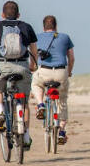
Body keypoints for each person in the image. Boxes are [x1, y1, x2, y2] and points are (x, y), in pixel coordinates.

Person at [0, 1, 38, 149]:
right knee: (23, 101)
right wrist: (32, 65)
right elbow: (34, 50)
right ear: (18, 15)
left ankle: (0, 112)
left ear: (2, 15)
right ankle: (25, 136)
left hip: (2, 67)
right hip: (22, 67)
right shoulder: (26, 27)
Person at [31, 15, 75, 145]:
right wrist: (69, 72)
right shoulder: (65, 37)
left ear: (43, 26)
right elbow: (71, 58)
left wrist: (33, 67)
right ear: (56, 26)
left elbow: (33, 56)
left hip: (43, 71)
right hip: (61, 72)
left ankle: (40, 104)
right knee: (62, 99)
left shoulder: (37, 37)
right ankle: (61, 130)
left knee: (36, 84)